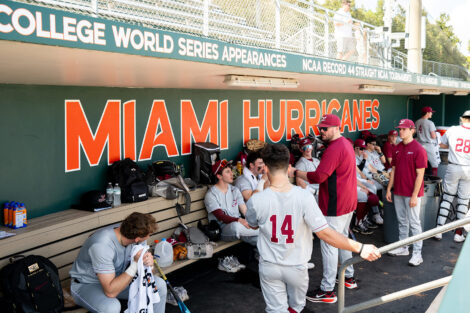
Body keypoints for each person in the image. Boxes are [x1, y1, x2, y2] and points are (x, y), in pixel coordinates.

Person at [245, 143, 381, 313]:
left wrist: (262, 184)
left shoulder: (257, 199)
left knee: (275, 310)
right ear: (289, 167)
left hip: (269, 265)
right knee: (296, 308)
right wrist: (360, 247)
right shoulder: (303, 196)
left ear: (265, 167)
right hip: (297, 266)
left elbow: (251, 224)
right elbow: (325, 233)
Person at [295, 114, 359, 302]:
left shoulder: (335, 147)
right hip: (347, 201)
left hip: (336, 204)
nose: (321, 131)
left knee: (330, 244)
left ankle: (328, 290)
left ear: (336, 128)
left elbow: (319, 177)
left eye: (325, 128)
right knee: (342, 240)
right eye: (320, 128)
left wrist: (296, 172)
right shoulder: (346, 143)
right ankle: (348, 277)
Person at [70, 212, 167, 313]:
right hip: (87, 284)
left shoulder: (135, 234)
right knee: (111, 307)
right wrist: (135, 264)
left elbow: (148, 271)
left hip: (117, 279)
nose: (148, 237)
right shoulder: (102, 245)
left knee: (159, 285)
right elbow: (110, 292)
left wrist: (149, 264)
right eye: (149, 235)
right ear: (137, 239)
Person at [386, 119, 427, 266]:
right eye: (400, 129)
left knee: (415, 223)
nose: (400, 132)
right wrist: (389, 189)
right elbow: (394, 170)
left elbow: (420, 175)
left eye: (404, 129)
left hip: (411, 193)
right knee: (402, 221)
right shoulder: (397, 148)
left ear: (412, 130)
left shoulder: (418, 149)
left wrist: (415, 195)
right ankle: (404, 247)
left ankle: (418, 253)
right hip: (398, 191)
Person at [204, 159, 258, 247]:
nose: (232, 174)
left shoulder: (234, 190)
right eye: (227, 172)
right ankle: (262, 231)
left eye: (231, 171)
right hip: (223, 229)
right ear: (219, 176)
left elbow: (245, 211)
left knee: (260, 240)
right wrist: (239, 220)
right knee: (235, 227)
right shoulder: (211, 195)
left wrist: (255, 220)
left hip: (242, 227)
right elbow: (221, 217)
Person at [434, 110, 470, 242]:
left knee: (447, 198)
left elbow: (442, 144)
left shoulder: (453, 130)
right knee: (463, 201)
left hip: (453, 166)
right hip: (468, 169)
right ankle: (458, 233)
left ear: (463, 119)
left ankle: (439, 231)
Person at [415, 106, 440, 176]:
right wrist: (437, 134)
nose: (431, 114)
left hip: (419, 144)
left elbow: (414, 132)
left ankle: (421, 179)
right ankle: (434, 181)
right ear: (427, 113)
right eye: (430, 112)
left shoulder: (417, 121)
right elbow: (433, 136)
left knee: (421, 163)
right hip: (428, 144)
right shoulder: (430, 123)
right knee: (434, 164)